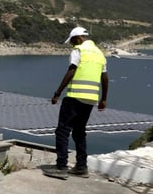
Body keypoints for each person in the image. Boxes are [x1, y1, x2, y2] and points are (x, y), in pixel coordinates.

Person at [43, 26, 108, 180]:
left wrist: (57, 93)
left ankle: (61, 166)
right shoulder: (100, 54)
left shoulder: (79, 51)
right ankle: (81, 167)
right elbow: (104, 78)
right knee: (79, 132)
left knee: (63, 131)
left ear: (78, 38)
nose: (72, 45)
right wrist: (103, 99)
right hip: (90, 99)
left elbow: (71, 70)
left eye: (72, 41)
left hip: (74, 97)